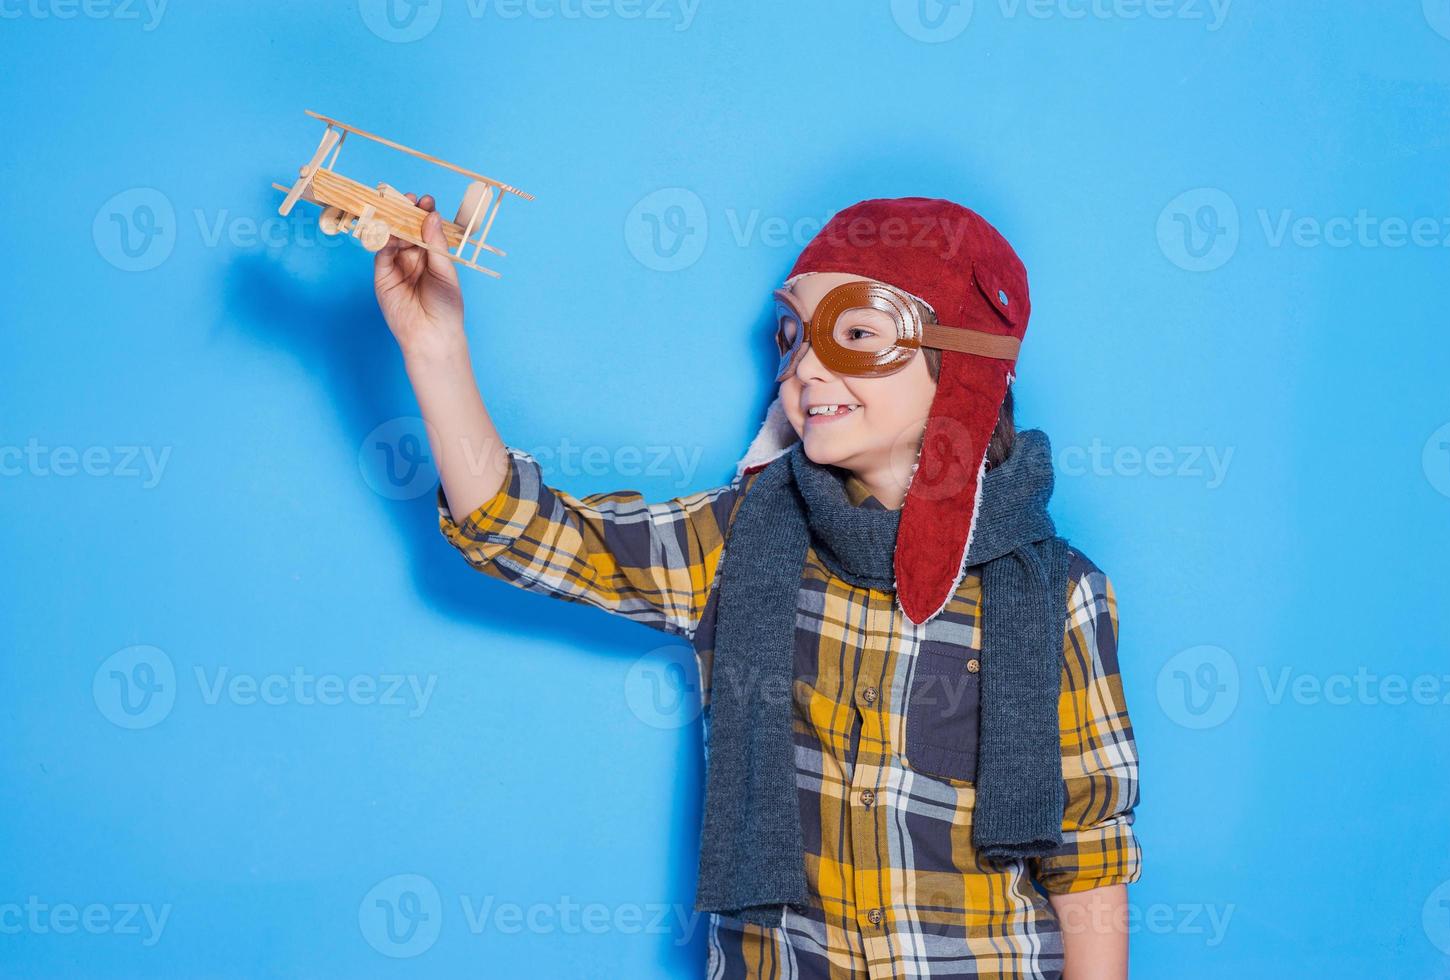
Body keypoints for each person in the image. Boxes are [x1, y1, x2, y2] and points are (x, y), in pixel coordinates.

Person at [374, 193, 1142, 979]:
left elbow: (1090, 857)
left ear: (965, 363)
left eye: (853, 333)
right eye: (792, 338)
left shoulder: (1059, 594)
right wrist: (434, 349)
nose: (806, 368)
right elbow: (525, 535)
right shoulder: (739, 541)